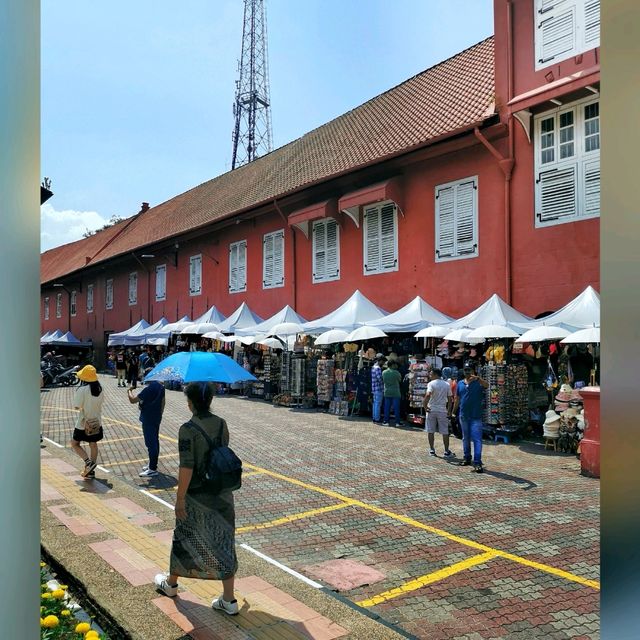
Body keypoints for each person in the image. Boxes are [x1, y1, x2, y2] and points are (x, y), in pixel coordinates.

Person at [154, 382, 238, 616]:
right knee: (223, 540)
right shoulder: (221, 424)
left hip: (196, 495)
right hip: (222, 493)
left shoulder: (187, 429)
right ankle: (229, 599)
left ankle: (170, 584)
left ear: (190, 403)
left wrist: (179, 499)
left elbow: (186, 467)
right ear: (210, 400)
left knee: (184, 536)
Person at [452, 362, 489, 473]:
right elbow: (457, 399)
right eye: (466, 370)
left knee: (477, 440)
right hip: (463, 415)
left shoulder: (478, 383)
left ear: (473, 371)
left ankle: (477, 462)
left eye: (469, 370)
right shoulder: (460, 383)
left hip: (476, 416)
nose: (467, 372)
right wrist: (453, 412)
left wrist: (478, 378)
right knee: (465, 438)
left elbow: (487, 385)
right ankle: (467, 457)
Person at [69, 365, 104, 478]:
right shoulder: (100, 387)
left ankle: (88, 463)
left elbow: (77, 406)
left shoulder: (82, 389)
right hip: (96, 421)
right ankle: (91, 471)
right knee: (93, 444)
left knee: (75, 443)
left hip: (84, 422)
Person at [128, 381, 166, 477]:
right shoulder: (161, 387)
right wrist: (160, 415)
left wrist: (129, 391)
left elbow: (132, 400)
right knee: (155, 441)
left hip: (148, 418)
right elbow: (163, 402)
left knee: (150, 443)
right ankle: (152, 464)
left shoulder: (147, 389)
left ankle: (152, 469)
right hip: (156, 417)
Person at [423, 368, 453, 458]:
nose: (430, 375)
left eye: (431, 374)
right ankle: (446, 451)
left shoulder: (431, 384)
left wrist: (425, 406)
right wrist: (449, 411)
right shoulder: (446, 384)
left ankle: (432, 450)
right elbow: (450, 399)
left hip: (431, 409)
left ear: (435, 374)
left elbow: (428, 395)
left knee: (430, 430)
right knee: (445, 431)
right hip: (442, 410)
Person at [382, 361, 403, 427]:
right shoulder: (396, 373)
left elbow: (383, 380)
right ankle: (397, 422)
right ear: (392, 365)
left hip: (387, 391)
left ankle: (386, 421)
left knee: (387, 407)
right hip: (396, 392)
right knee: (396, 408)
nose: (396, 366)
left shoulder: (384, 372)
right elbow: (400, 380)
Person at [370, 354, 385, 424]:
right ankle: (377, 418)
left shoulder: (373, 367)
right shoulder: (378, 368)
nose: (383, 363)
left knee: (375, 404)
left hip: (374, 388)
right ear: (380, 360)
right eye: (383, 361)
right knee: (378, 404)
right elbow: (380, 378)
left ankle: (374, 417)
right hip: (379, 388)